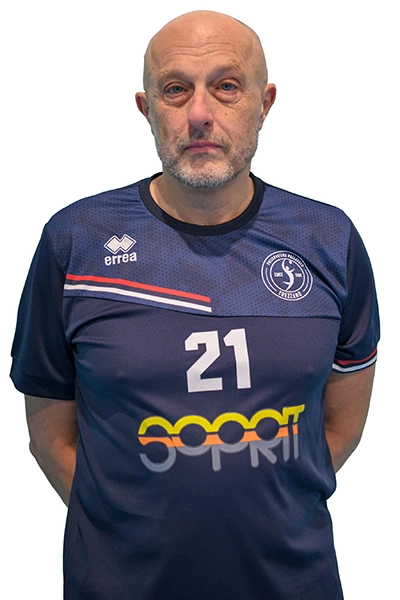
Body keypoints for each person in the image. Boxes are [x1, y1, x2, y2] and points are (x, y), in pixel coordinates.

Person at [10, 10, 379, 600]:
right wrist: (129, 528)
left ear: (265, 103)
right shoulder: (74, 241)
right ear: (146, 109)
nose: (200, 113)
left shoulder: (328, 239)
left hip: (292, 583)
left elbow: (341, 426)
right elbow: (50, 437)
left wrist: (265, 509)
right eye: (175, 90)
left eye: (226, 86)